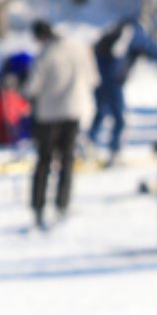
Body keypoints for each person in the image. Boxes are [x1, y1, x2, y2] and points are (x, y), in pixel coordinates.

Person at [25, 20, 99, 229]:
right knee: (66, 160)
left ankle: (38, 206)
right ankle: (62, 204)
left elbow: (32, 87)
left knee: (44, 161)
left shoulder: (46, 55)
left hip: (49, 115)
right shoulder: (78, 47)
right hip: (74, 111)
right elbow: (93, 78)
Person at [88, 14, 157, 165]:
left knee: (100, 113)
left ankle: (88, 145)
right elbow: (153, 51)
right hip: (114, 79)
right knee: (119, 118)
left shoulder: (117, 29)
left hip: (98, 76)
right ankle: (114, 152)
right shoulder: (136, 33)